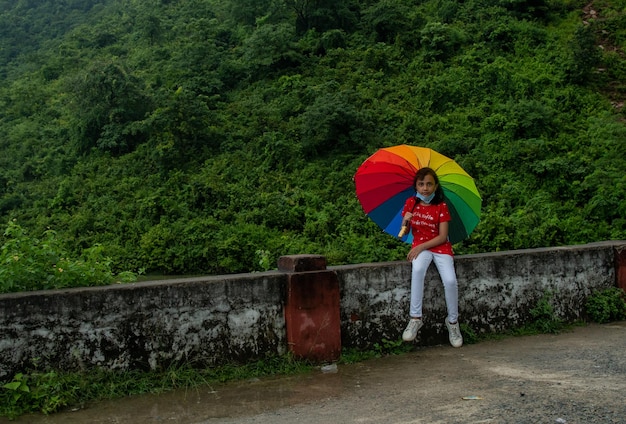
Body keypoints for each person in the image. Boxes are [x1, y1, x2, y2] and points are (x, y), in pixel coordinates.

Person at [399, 167, 463, 348]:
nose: (425, 188)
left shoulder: (441, 206)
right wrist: (406, 220)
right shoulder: (411, 203)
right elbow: (402, 235)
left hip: (439, 247)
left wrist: (420, 246)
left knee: (450, 281)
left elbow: (443, 237)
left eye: (429, 184)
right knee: (417, 269)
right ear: (416, 186)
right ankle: (415, 318)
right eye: (421, 184)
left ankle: (452, 323)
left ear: (435, 186)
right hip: (421, 248)